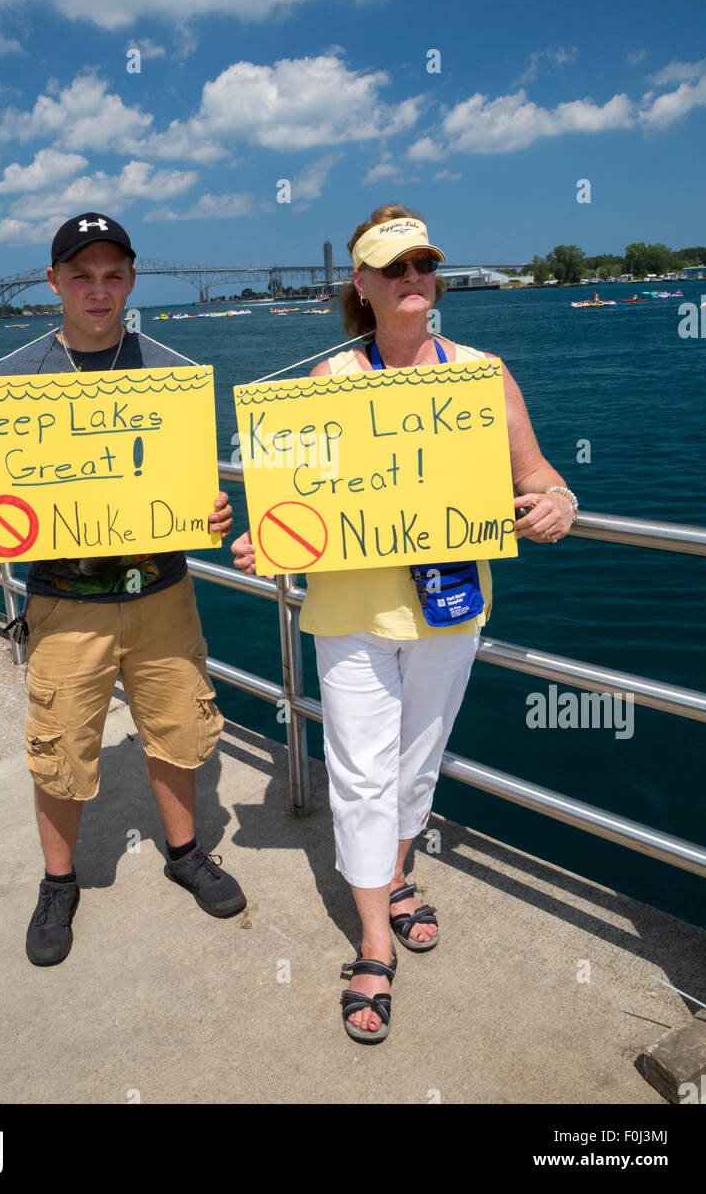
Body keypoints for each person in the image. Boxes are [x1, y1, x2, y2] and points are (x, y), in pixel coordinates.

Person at [232, 202, 578, 1043]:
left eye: (424, 265)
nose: (414, 280)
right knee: (358, 771)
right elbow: (295, 511)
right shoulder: (328, 384)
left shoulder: (482, 374)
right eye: (394, 268)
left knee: (419, 763)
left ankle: (394, 874)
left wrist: (558, 502)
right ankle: (374, 939)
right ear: (361, 284)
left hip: (450, 606)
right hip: (352, 612)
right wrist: (266, 543)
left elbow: (537, 473)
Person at [0, 211, 246, 967]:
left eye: (112, 274)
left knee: (179, 731)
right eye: (81, 275)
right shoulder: (13, 384)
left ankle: (184, 853)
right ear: (54, 282)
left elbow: (196, 491)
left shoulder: (169, 373)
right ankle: (59, 881)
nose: (98, 290)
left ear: (131, 280)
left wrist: (213, 510)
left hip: (164, 595)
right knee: (59, 749)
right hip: (63, 602)